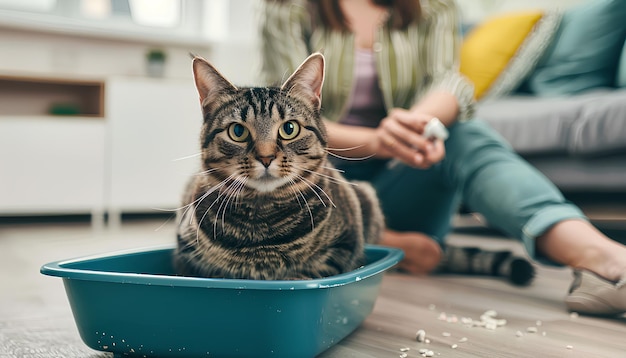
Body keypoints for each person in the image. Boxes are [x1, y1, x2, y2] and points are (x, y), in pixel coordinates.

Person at [258, 0, 626, 315]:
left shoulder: (432, 6)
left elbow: (450, 83)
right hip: (317, 193)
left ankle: (602, 259)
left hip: (399, 182)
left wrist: (417, 127)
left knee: (465, 133)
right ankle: (387, 242)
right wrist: (379, 140)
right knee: (275, 161)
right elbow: (283, 111)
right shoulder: (290, 9)